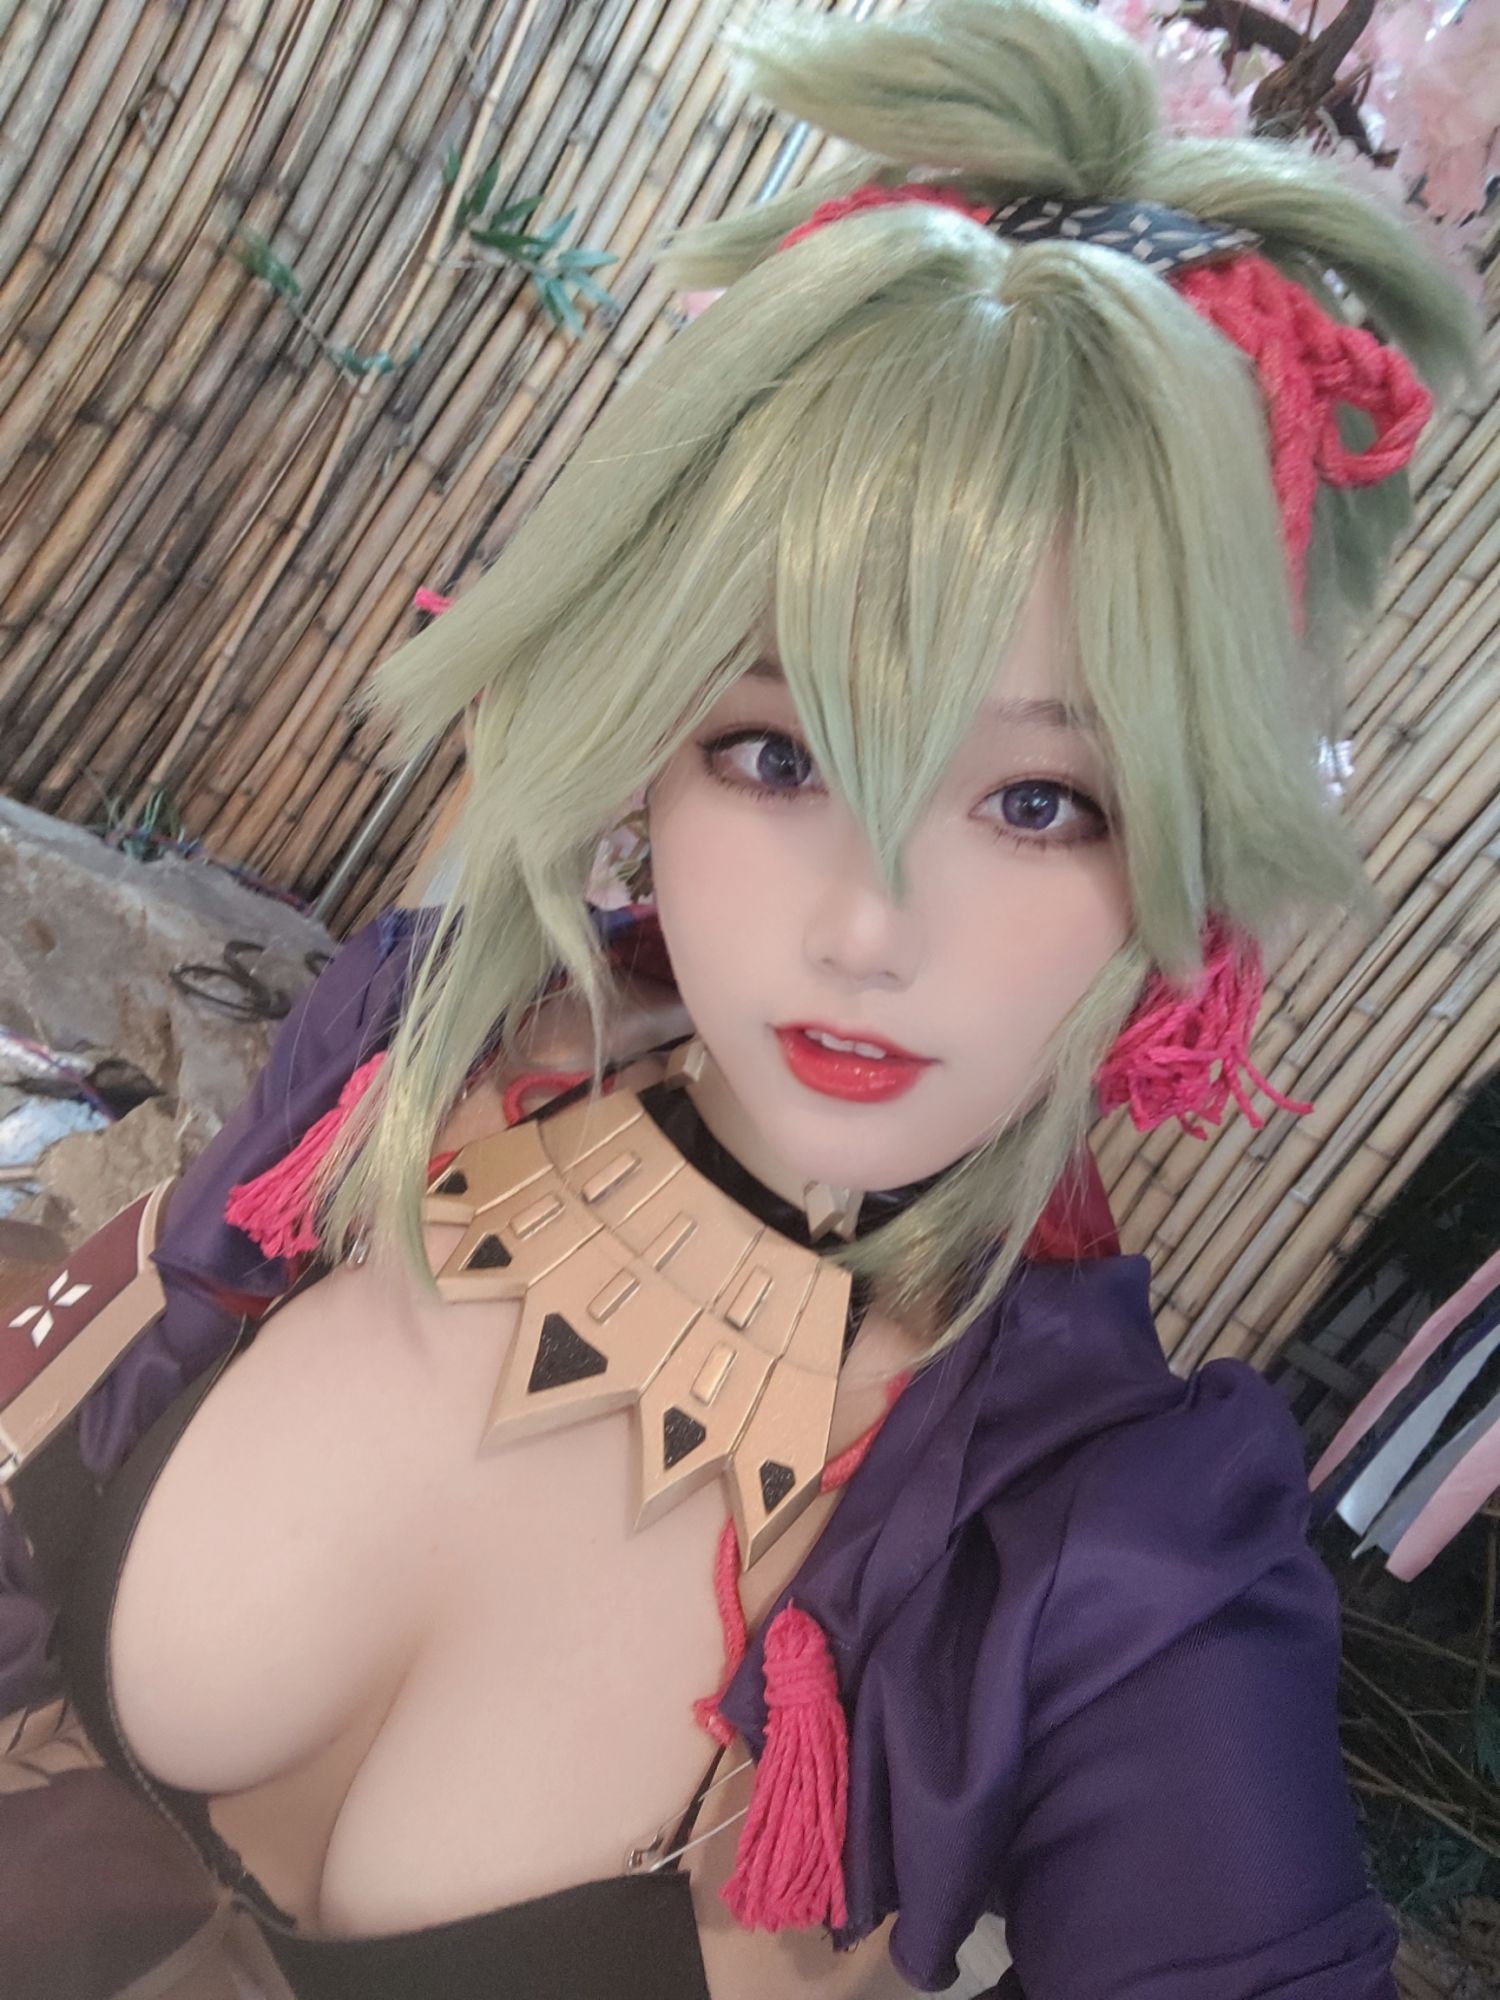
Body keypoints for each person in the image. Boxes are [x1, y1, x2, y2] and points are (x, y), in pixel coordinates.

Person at [0, 0, 1478, 1993]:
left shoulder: (1112, 1557)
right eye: (778, 754)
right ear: (650, 739)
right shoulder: (420, 1056)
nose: (868, 925)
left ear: (1187, 856)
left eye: (1039, 801)